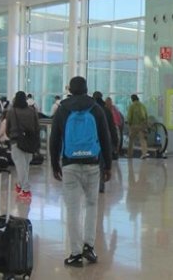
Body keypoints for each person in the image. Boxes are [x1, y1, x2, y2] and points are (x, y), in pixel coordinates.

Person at [49, 76, 112, 267]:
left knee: (73, 209)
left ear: (70, 90)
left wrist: (54, 164)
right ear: (86, 89)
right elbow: (105, 138)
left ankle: (75, 254)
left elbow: (55, 139)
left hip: (70, 164)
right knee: (92, 205)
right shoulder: (96, 108)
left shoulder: (62, 109)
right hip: (93, 163)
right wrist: (107, 165)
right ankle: (89, 247)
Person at [4, 91, 40, 201]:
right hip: (30, 141)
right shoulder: (32, 111)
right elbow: (37, 127)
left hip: (16, 141)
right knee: (25, 165)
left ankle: (25, 190)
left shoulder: (11, 111)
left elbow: (7, 127)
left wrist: (10, 136)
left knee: (20, 166)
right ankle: (20, 185)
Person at [93, 91, 119, 193]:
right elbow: (112, 127)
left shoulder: (91, 109)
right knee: (102, 163)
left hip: (93, 141)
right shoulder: (106, 110)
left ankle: (92, 186)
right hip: (105, 140)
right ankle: (101, 185)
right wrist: (115, 141)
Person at [127, 94, 149, 159]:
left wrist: (129, 123)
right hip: (142, 125)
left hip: (134, 126)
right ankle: (144, 153)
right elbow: (146, 115)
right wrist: (146, 124)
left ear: (132, 99)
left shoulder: (131, 106)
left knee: (131, 140)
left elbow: (129, 116)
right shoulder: (142, 105)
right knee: (142, 139)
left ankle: (130, 154)